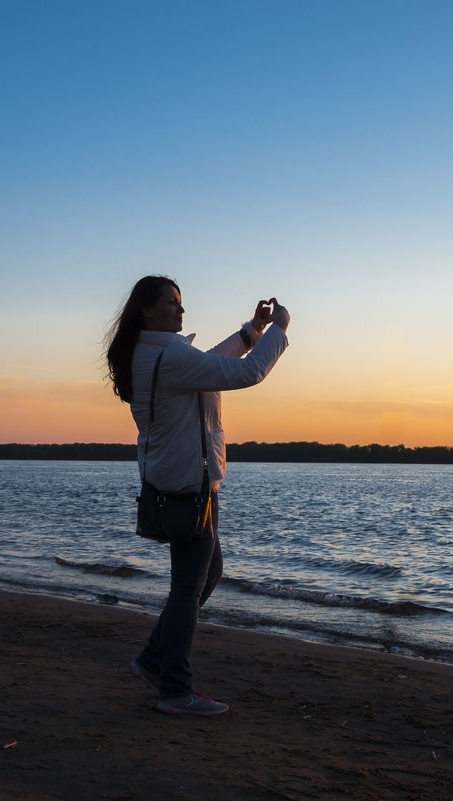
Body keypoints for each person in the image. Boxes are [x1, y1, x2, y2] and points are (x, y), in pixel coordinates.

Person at [105, 276, 290, 715]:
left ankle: (153, 661)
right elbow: (245, 373)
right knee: (188, 588)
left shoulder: (153, 353)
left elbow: (207, 363)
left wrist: (251, 332)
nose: (180, 310)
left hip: (172, 482)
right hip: (189, 485)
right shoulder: (168, 356)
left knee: (207, 575)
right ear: (147, 310)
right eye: (171, 303)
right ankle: (175, 690)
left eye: (181, 303)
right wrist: (280, 330)